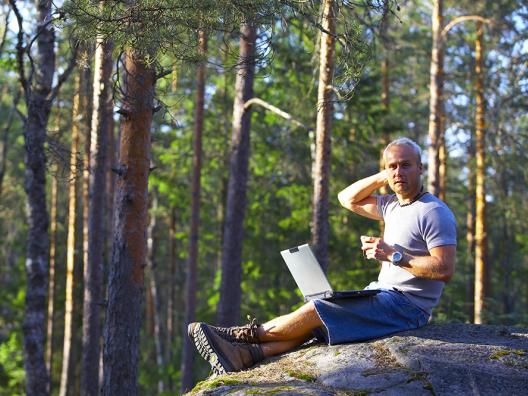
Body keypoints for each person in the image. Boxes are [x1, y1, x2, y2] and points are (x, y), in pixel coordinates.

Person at [188, 137, 457, 375]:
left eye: (406, 165)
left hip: (409, 307)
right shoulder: (390, 205)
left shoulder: (433, 212)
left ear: (421, 168)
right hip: (381, 293)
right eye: (392, 166)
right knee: (317, 327)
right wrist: (382, 177)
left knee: (319, 310)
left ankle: (242, 337)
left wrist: (394, 255)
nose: (399, 172)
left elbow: (444, 269)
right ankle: (245, 355)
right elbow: (347, 198)